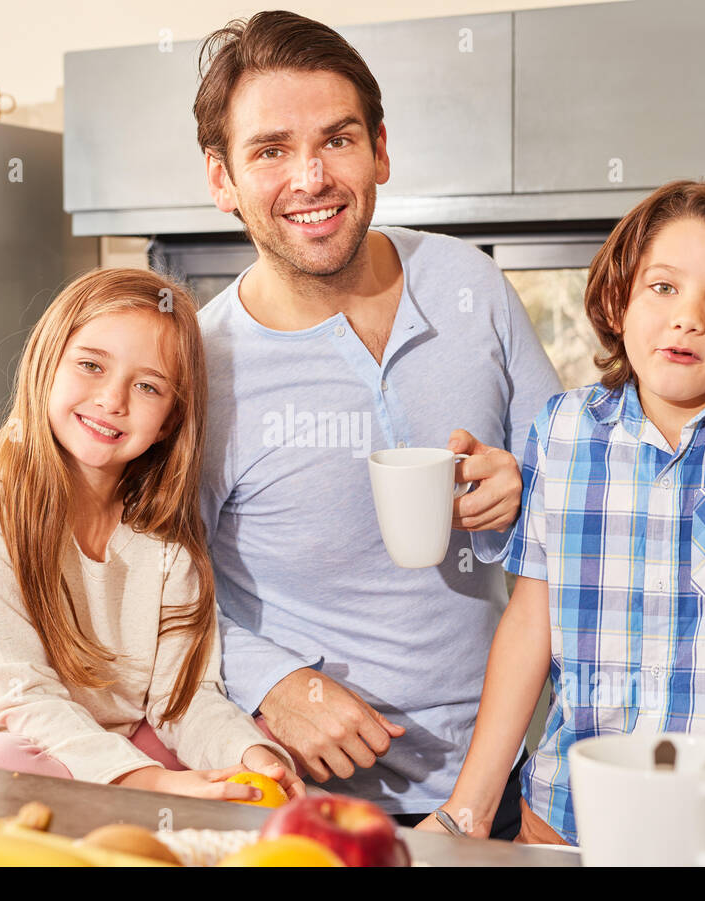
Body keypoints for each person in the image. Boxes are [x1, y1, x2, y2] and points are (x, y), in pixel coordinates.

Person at [190, 11, 560, 833]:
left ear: (380, 149)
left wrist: (524, 490)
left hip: (491, 791)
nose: (311, 177)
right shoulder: (202, 368)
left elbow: (580, 503)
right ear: (222, 179)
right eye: (271, 150)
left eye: (338, 139)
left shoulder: (471, 287)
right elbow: (157, 592)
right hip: (292, 809)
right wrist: (268, 682)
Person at [422, 178, 705, 864]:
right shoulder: (561, 431)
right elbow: (531, 620)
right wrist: (467, 808)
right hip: (559, 821)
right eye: (662, 287)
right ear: (616, 302)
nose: (688, 318)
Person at [0, 268, 303, 804]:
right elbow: (25, 700)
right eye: (91, 366)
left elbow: (185, 699)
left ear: (170, 421)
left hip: (110, 752)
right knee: (12, 765)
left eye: (147, 386)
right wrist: (152, 781)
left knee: (252, 747)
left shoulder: (164, 539)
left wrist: (252, 758)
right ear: (46, 365)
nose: (113, 400)